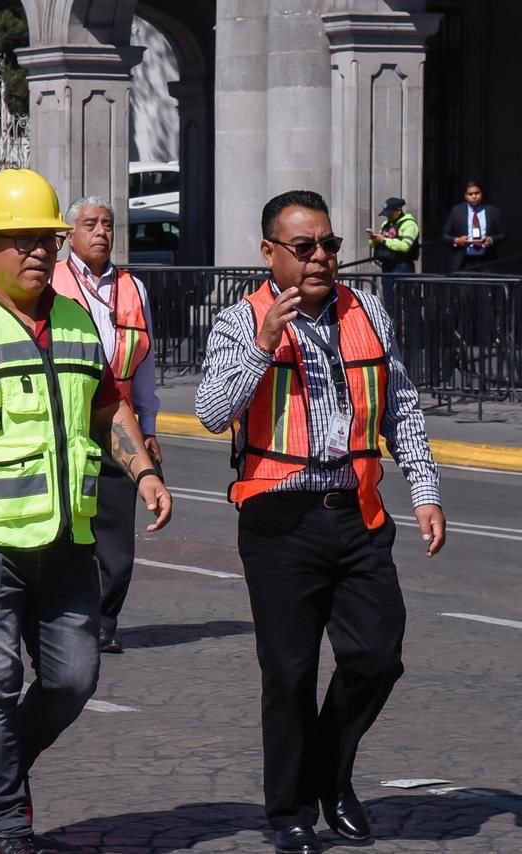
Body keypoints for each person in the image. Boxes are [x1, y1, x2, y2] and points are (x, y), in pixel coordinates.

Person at [0, 169, 171, 854]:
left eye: (45, 238)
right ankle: (8, 826)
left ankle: (2, 765)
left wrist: (143, 472)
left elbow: (106, 406)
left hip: (64, 537)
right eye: (19, 240)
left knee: (75, 676)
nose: (38, 252)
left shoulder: (78, 321)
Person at [195, 189, 446, 854]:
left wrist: (424, 486)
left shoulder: (367, 311)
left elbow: (403, 407)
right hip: (279, 520)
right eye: (303, 247)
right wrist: (263, 344)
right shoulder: (237, 321)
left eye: (329, 245)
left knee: (377, 656)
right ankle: (289, 812)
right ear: (270, 253)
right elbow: (212, 410)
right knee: (289, 671)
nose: (320, 258)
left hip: (357, 510)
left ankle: (331, 772)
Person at [52, 195, 162, 654]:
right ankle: (64, 616)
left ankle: (104, 621)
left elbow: (147, 363)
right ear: (70, 234)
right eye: (91, 224)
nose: (101, 232)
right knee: (70, 527)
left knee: (116, 538)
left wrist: (149, 425)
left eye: (108, 225)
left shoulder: (134, 288)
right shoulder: (52, 280)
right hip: (68, 417)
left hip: (120, 422)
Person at [366, 196, 419, 316]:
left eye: (390, 213)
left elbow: (405, 246)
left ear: (399, 210)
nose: (388, 216)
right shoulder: (386, 224)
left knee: (407, 302)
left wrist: (384, 240)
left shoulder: (409, 224)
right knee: (389, 302)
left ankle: (410, 332)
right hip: (388, 267)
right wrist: (374, 239)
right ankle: (392, 330)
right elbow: (377, 243)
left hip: (403, 266)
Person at [442, 180, 506, 273]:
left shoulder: (493, 212)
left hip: (487, 260)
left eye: (477, 193)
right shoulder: (456, 211)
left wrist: (491, 240)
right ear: (465, 196)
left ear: (482, 193)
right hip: (463, 261)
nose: (474, 196)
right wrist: (457, 241)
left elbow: (504, 235)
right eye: (470, 194)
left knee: (487, 287)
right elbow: (444, 235)